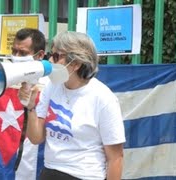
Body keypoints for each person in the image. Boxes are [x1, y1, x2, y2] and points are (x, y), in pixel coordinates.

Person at [18, 31, 126, 180]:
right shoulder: (52, 86)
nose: (50, 60)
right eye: (51, 54)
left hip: (85, 175)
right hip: (50, 171)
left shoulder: (103, 98)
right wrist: (30, 108)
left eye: (56, 56)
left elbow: (116, 158)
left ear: (75, 63)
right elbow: (36, 138)